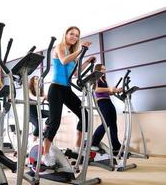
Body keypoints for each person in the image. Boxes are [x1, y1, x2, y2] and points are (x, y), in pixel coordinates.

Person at [42, 26, 95, 166]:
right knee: (55, 121)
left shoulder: (73, 53)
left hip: (67, 89)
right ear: (65, 34)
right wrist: (81, 50)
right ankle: (45, 154)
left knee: (85, 115)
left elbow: (76, 73)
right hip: (55, 89)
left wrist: (87, 62)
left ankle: (78, 148)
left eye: (77, 35)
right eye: (71, 34)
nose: (74, 37)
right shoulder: (59, 47)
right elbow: (64, 60)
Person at [91, 64, 122, 154]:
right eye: (103, 69)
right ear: (98, 70)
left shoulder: (104, 79)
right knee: (106, 123)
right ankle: (93, 143)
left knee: (113, 124)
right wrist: (109, 88)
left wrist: (115, 91)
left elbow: (108, 92)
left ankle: (116, 146)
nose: (104, 71)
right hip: (101, 102)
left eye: (105, 69)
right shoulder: (95, 78)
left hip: (108, 101)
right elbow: (96, 89)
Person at [28, 76, 49, 142]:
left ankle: (44, 128)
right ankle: (33, 142)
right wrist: (41, 98)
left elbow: (45, 97)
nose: (38, 80)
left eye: (38, 79)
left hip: (37, 110)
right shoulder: (29, 89)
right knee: (38, 126)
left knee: (52, 113)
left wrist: (48, 98)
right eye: (36, 79)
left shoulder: (40, 89)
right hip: (30, 112)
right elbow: (32, 97)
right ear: (32, 81)